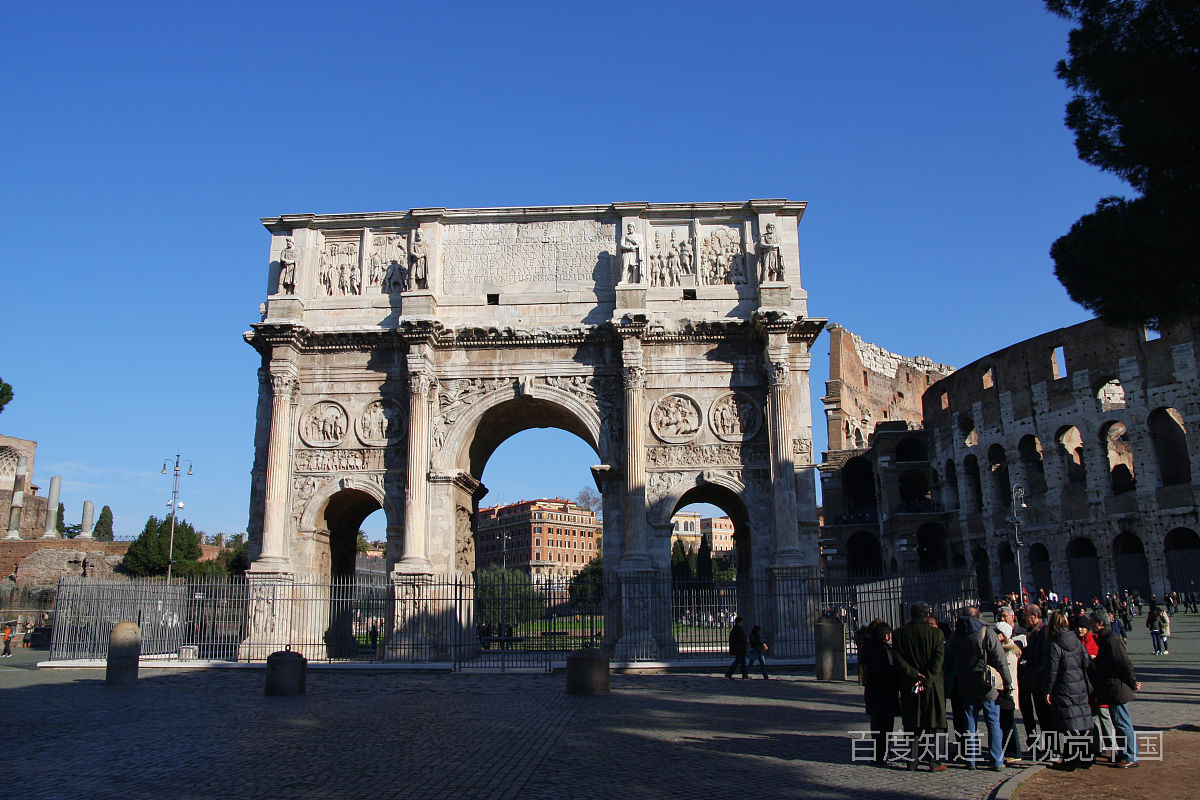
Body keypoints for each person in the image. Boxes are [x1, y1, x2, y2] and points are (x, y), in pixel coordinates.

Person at [952, 608, 1013, 771]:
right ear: (979, 617)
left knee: (970, 722)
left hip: (965, 683)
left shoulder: (956, 634)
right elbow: (1000, 659)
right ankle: (996, 760)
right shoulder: (987, 632)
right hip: (986, 683)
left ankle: (971, 759)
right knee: (993, 722)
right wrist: (1007, 681)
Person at [892, 603, 948, 771]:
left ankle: (912, 760)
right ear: (927, 614)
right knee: (935, 722)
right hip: (932, 684)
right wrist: (927, 679)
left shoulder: (900, 634)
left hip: (910, 683)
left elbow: (897, 657)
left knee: (912, 722)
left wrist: (913, 673)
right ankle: (935, 761)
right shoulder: (937, 634)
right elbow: (938, 660)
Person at [1089, 609, 1141, 768]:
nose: (1090, 624)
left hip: (1116, 688)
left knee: (1122, 722)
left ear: (1100, 623)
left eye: (1092, 622)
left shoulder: (1111, 640)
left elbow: (1124, 663)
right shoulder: (1106, 639)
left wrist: (1133, 683)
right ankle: (1125, 752)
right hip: (1112, 687)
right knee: (1119, 722)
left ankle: (1130, 755)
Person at [1045, 610, 1095, 769]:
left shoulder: (1055, 643)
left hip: (1064, 687)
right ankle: (1086, 759)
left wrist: (1048, 690)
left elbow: (1052, 670)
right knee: (1082, 723)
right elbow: (1086, 661)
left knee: (1071, 726)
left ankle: (1070, 761)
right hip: (1079, 685)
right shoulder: (1076, 640)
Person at [860, 621, 900, 765]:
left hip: (872, 692)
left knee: (877, 726)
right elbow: (889, 671)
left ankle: (879, 753)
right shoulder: (884, 651)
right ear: (887, 636)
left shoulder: (868, 648)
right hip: (885, 693)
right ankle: (881, 755)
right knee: (885, 727)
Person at [1019, 604, 1054, 751]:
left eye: (1026, 615)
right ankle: (1046, 747)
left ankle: (1052, 748)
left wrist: (1028, 663)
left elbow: (1043, 659)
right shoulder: (1033, 633)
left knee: (1046, 718)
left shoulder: (1044, 633)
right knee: (1040, 716)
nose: (1024, 619)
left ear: (1034, 616)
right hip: (1033, 682)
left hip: (1040, 682)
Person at [995, 621, 1023, 763]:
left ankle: (1014, 751)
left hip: (1008, 692)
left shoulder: (1009, 652)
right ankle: (1009, 750)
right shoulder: (1004, 649)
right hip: (1006, 691)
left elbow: (1005, 672)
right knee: (1005, 722)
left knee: (1008, 723)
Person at [725, 616, 748, 680]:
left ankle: (744, 675)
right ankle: (729, 674)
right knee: (738, 662)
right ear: (740, 621)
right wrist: (746, 640)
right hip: (739, 648)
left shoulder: (735, 628)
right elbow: (741, 639)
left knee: (742, 662)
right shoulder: (738, 629)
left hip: (738, 648)